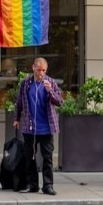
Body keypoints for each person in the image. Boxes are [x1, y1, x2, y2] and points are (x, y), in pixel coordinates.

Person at [13, 57, 63, 195]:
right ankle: (32, 184)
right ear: (33, 68)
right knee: (30, 157)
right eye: (39, 69)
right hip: (29, 128)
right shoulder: (26, 83)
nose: (41, 73)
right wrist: (16, 118)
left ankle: (48, 185)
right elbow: (19, 102)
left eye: (44, 70)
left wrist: (50, 91)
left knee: (47, 158)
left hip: (46, 128)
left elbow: (60, 101)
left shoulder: (51, 82)